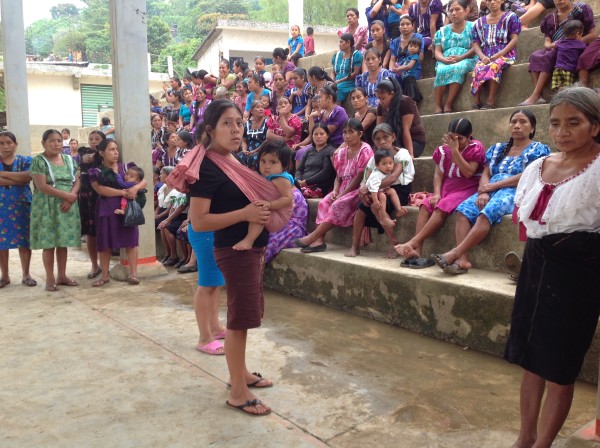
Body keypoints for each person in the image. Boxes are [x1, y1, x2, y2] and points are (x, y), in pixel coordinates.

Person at [504, 86, 600, 448]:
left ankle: (543, 444)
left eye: (574, 122)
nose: (562, 131)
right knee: (532, 359)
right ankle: (524, 438)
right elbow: (528, 223)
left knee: (559, 368)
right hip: (536, 265)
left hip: (579, 272)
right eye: (556, 123)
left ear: (594, 126)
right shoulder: (536, 166)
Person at [189, 99, 290, 416]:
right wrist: (245, 213)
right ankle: (236, 391)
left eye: (239, 122)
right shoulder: (207, 166)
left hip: (249, 250)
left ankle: (241, 374)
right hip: (234, 251)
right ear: (210, 129)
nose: (236, 129)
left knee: (244, 318)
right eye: (227, 124)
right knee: (238, 320)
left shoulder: (229, 160)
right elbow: (199, 221)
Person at [431, 110, 550, 274]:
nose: (517, 125)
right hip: (490, 188)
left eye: (523, 122)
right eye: (513, 121)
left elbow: (527, 175)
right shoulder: (498, 148)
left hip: (514, 190)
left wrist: (492, 187)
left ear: (532, 128)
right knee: (463, 211)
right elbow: (486, 173)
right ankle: (463, 259)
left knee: (486, 213)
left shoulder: (538, 149)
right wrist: (483, 192)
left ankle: (455, 252)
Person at [394, 118, 486, 266]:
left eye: (460, 138)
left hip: (467, 186)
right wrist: (436, 193)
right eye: (451, 137)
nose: (455, 141)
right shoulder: (443, 150)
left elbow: (469, 172)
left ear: (470, 137)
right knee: (425, 205)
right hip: (448, 186)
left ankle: (413, 241)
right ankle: (417, 250)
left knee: (442, 206)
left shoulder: (476, 148)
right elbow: (438, 175)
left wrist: (455, 151)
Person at [295, 119, 373, 253]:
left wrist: (341, 195)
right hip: (342, 187)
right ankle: (319, 241)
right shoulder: (342, 152)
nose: (347, 136)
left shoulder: (365, 150)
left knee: (338, 203)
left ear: (360, 134)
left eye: (351, 132)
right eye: (344, 132)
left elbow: (359, 177)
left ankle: (313, 237)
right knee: (324, 202)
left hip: (358, 188)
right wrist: (336, 190)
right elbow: (338, 176)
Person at [346, 123, 414, 258]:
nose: (382, 141)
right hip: (378, 189)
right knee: (360, 209)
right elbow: (366, 179)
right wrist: (363, 192)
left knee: (375, 206)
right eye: (377, 139)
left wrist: (370, 188)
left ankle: (394, 243)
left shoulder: (402, 154)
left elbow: (393, 177)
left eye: (386, 137)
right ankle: (355, 245)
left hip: (398, 189)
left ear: (393, 137)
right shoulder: (374, 159)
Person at [89, 139, 147, 286]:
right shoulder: (96, 171)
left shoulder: (127, 167)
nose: (115, 153)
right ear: (102, 153)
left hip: (127, 210)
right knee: (105, 243)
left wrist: (134, 189)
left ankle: (134, 274)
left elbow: (143, 181)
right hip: (107, 209)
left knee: (131, 241)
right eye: (111, 149)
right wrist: (123, 192)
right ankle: (105, 276)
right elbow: (100, 189)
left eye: (116, 149)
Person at [30, 129, 81, 291]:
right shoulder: (39, 161)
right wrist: (66, 195)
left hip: (67, 205)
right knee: (49, 243)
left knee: (63, 242)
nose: (56, 144)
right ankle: (50, 278)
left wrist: (71, 196)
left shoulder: (69, 159)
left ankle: (62, 276)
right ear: (43, 143)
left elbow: (78, 179)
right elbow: (41, 186)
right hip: (47, 205)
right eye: (51, 140)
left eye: (59, 140)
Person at [519, 0, 596, 106]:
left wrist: (570, 43)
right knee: (534, 56)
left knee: (550, 55)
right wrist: (549, 45)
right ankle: (540, 95)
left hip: (575, 48)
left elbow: (592, 35)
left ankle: (534, 95)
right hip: (557, 47)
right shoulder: (550, 18)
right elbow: (547, 40)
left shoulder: (581, 10)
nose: (559, 1)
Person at [233, 142, 294, 251]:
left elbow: (288, 199)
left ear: (284, 165)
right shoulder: (270, 176)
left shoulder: (281, 179)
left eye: (273, 162)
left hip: (279, 216)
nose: (267, 166)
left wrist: (270, 204)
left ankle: (249, 240)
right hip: (274, 211)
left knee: (258, 213)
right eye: (263, 161)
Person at [0, 131, 36, 288]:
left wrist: (2, 174)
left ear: (15, 143)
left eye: (9, 142)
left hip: (22, 205)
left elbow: (28, 177)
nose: (6, 146)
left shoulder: (26, 160)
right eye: (1, 143)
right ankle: (5, 276)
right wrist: (16, 177)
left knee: (24, 240)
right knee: (1, 242)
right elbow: (20, 179)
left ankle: (26, 274)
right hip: (1, 206)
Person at [471, 0, 521, 109]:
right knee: (478, 67)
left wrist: (500, 54)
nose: (492, 2)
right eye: (489, 0)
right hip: (486, 54)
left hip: (505, 53)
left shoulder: (511, 17)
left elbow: (514, 39)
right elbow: (475, 43)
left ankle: (490, 101)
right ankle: (477, 100)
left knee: (495, 65)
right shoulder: (479, 22)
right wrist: (482, 56)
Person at [433, 0, 477, 114]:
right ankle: (438, 105)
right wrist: (443, 59)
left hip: (467, 58)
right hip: (446, 59)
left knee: (459, 68)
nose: (453, 13)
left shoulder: (473, 27)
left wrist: (461, 57)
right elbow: (437, 51)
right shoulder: (442, 31)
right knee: (441, 70)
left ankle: (449, 103)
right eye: (451, 10)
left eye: (457, 9)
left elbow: (475, 48)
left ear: (466, 10)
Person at [77, 130, 105, 280]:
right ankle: (95, 265)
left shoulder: (106, 154)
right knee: (89, 232)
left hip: (102, 196)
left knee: (102, 230)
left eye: (97, 139)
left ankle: (104, 265)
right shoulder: (85, 154)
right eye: (91, 139)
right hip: (86, 197)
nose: (94, 141)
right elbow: (86, 159)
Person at [376, 77, 426, 158]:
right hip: (392, 141)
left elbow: (406, 130)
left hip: (414, 141)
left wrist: (410, 154)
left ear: (392, 94)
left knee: (399, 156)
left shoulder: (406, 102)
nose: (381, 101)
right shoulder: (381, 106)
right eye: (379, 98)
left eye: (383, 98)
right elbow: (378, 130)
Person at [295, 123, 337, 198]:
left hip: (319, 186)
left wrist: (306, 182)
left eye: (321, 134)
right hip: (302, 184)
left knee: (296, 194)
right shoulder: (309, 151)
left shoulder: (330, 151)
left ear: (327, 136)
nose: (318, 137)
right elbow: (299, 169)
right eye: (316, 134)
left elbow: (326, 172)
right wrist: (298, 180)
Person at [366, 149, 406, 225]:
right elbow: (373, 188)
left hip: (381, 190)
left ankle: (398, 209)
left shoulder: (386, 172)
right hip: (372, 193)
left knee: (392, 190)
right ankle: (383, 217)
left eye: (390, 163)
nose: (388, 166)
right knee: (382, 196)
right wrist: (375, 201)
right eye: (384, 164)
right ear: (377, 165)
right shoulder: (376, 175)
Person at [551, 20, 587, 91]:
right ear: (578, 34)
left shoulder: (560, 42)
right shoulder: (580, 45)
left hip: (557, 68)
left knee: (557, 85)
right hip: (569, 69)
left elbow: (552, 45)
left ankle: (559, 92)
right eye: (582, 34)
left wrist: (550, 45)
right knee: (567, 87)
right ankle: (564, 95)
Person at [332, 33, 363, 103]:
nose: (339, 44)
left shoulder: (356, 54)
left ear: (348, 43)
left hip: (349, 82)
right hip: (336, 82)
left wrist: (339, 81)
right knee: (327, 88)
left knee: (337, 89)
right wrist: (333, 80)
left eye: (341, 42)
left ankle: (338, 112)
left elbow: (355, 73)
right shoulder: (337, 55)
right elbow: (333, 72)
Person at [393, 36, 424, 102]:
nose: (412, 48)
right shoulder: (408, 57)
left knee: (412, 97)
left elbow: (409, 66)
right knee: (407, 97)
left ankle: (414, 110)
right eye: (411, 46)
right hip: (406, 79)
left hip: (410, 79)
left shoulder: (415, 57)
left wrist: (400, 68)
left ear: (419, 49)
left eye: (415, 47)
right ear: (408, 47)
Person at [240, 101, 268, 169]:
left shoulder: (267, 122)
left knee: (253, 158)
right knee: (238, 156)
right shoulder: (247, 124)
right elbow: (244, 140)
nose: (261, 109)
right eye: (258, 107)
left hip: (262, 150)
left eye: (262, 107)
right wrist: (244, 150)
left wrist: (255, 151)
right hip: (249, 151)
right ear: (252, 111)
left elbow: (268, 140)